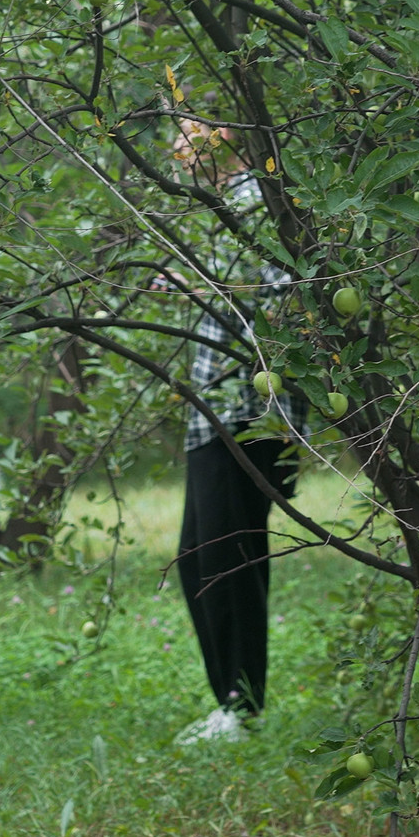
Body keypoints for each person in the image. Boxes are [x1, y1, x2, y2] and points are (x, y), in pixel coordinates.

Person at [169, 118, 306, 746]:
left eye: (186, 136)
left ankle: (241, 704)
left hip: (247, 415)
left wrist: (196, 282)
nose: (176, 150)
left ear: (221, 139)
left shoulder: (253, 202)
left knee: (230, 560)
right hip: (214, 415)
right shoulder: (217, 207)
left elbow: (279, 299)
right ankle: (230, 699)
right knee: (198, 559)